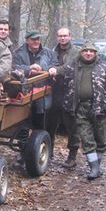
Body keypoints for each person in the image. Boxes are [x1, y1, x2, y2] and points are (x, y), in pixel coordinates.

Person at [55, 41, 106, 179]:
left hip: (99, 107)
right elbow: (61, 70)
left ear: (95, 53)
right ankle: (93, 169)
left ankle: (97, 165)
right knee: (86, 138)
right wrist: (52, 70)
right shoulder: (73, 65)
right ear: (81, 52)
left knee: (102, 139)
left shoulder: (102, 67)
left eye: (91, 51)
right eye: (85, 51)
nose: (88, 53)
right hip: (80, 108)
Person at [46, 27, 81, 167]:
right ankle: (48, 153)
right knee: (50, 124)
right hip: (54, 92)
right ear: (57, 37)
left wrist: (55, 71)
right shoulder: (52, 52)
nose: (62, 38)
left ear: (70, 36)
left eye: (65, 36)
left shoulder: (76, 52)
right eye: (60, 36)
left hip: (70, 92)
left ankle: (72, 156)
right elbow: (47, 65)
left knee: (72, 125)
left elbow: (70, 67)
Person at [12, 30, 57, 129]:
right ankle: (23, 141)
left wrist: (49, 69)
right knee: (22, 119)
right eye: (33, 39)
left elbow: (55, 64)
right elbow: (13, 67)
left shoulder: (49, 53)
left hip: (43, 89)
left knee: (41, 117)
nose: (36, 42)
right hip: (23, 90)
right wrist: (29, 69)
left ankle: (40, 138)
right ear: (27, 40)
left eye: (38, 39)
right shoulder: (17, 53)